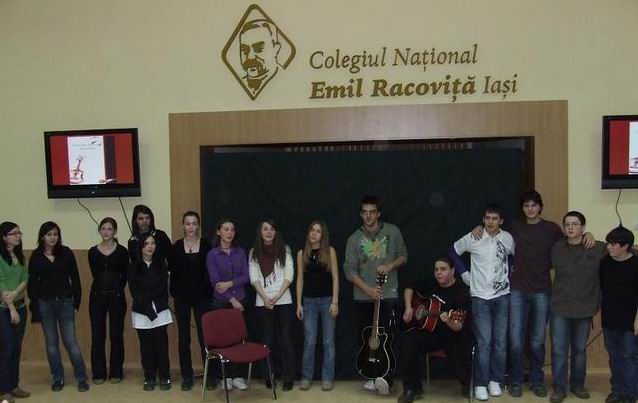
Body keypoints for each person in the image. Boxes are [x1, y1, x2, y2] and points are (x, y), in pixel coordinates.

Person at [470, 191, 593, 398]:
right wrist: (479, 227)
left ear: (540, 207)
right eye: (526, 205)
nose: (530, 209)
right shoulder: (514, 227)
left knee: (537, 342)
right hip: (517, 291)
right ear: (522, 208)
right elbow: (493, 230)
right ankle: (516, 381)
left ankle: (537, 381)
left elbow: (571, 240)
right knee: (516, 341)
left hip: (542, 291)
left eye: (534, 205)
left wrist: (588, 235)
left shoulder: (552, 229)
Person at [344, 195, 408, 395]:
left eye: (372, 212)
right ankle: (373, 375)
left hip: (388, 294)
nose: (369, 216)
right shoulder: (353, 239)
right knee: (366, 339)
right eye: (365, 212)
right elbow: (349, 271)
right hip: (363, 297)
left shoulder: (392, 231)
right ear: (360, 214)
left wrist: (390, 265)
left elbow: (403, 256)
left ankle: (387, 377)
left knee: (388, 337)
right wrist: (368, 289)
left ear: (378, 213)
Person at [450, 203, 514, 401]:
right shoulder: (474, 236)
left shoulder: (508, 238)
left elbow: (514, 259)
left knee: (500, 342)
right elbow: (453, 251)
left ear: (501, 221)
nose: (490, 222)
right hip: (480, 297)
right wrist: (464, 274)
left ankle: (496, 380)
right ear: (483, 219)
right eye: (487, 218)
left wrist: (509, 274)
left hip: (502, 296)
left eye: (494, 218)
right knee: (484, 342)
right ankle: (480, 382)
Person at [549, 211, 606, 403]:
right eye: (567, 224)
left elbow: (625, 251)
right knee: (559, 350)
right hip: (560, 307)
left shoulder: (597, 247)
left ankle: (578, 385)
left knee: (580, 351)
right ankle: (559, 388)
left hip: (585, 308)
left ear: (583, 227)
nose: (571, 227)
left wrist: (590, 236)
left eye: (575, 224)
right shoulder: (556, 248)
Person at [397, 257, 471, 403]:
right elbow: (409, 287)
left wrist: (448, 320)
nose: (438, 273)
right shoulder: (432, 283)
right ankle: (412, 388)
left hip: (452, 334)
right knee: (408, 343)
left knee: (458, 353)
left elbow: (459, 326)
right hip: (430, 332)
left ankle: (467, 383)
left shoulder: (461, 291)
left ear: (452, 271)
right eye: (436, 269)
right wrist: (408, 308)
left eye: (443, 269)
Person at [27, 221, 89, 392]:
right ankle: (58, 378)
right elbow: (32, 284)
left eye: (55, 234)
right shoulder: (36, 256)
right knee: (52, 343)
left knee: (71, 342)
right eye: (49, 235)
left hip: (66, 303)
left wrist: (76, 303)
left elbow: (75, 279)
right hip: (45, 304)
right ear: (42, 237)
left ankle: (81, 377)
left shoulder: (66, 253)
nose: (53, 237)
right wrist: (35, 306)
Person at [167, 211, 213, 391]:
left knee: (205, 338)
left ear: (198, 226)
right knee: (184, 338)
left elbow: (210, 271)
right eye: (188, 223)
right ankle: (186, 376)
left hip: (203, 298)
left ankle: (210, 375)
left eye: (194, 223)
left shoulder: (206, 245)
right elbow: (172, 273)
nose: (191, 227)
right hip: (182, 298)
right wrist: (174, 294)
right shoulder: (176, 247)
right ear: (183, 226)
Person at [249, 219, 295, 391]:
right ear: (260, 232)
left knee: (285, 340)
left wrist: (276, 297)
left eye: (272, 229)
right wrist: (265, 297)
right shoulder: (254, 252)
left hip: (283, 300)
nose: (268, 232)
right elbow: (254, 278)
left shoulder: (285, 249)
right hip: (263, 302)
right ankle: (269, 376)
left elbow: (289, 276)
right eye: (265, 229)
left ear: (276, 232)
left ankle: (288, 377)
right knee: (267, 341)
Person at [295, 220, 339, 392]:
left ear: (323, 235)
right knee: (309, 341)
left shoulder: (329, 252)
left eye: (318, 231)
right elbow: (300, 280)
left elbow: (335, 278)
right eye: (312, 230)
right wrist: (299, 304)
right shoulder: (301, 254)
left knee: (328, 341)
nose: (314, 234)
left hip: (327, 301)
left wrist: (335, 301)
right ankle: (306, 377)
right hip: (309, 302)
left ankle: (327, 378)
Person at [207, 218, 250, 391]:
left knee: (238, 340)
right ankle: (225, 377)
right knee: (223, 340)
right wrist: (232, 301)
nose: (229, 233)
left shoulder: (240, 252)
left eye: (232, 229)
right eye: (226, 229)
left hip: (240, 299)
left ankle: (238, 375)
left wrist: (230, 284)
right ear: (219, 232)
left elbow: (245, 276)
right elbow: (215, 282)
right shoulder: (212, 254)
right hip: (221, 302)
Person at [128, 233, 173, 391]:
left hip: (160, 310)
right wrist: (146, 306)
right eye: (146, 243)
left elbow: (162, 287)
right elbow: (134, 290)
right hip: (141, 311)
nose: (150, 246)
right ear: (141, 246)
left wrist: (149, 301)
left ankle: (165, 376)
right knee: (146, 347)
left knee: (161, 346)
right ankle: (149, 377)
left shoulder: (161, 264)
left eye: (152, 243)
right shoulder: (133, 266)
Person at [599, 226, 638, 403]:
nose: (609, 247)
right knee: (614, 356)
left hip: (631, 320)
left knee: (629, 356)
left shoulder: (636, 264)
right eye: (608, 243)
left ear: (625, 246)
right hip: (609, 318)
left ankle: (630, 393)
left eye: (613, 244)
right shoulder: (605, 263)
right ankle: (617, 390)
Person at [87, 217, 129, 385]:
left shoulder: (122, 251)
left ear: (115, 231)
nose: (106, 232)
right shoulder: (92, 252)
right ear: (99, 231)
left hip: (117, 297)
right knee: (97, 335)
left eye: (109, 229)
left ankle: (116, 371)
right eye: (103, 229)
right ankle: (98, 372)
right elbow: (95, 274)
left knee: (116, 334)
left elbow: (125, 275)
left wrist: (116, 288)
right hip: (97, 297)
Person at [0, 222, 30, 403]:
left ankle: (13, 385)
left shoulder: (20, 256)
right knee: (8, 347)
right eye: (14, 233)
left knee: (16, 347)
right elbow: (1, 283)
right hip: (4, 309)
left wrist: (16, 293)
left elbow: (25, 277)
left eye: (19, 233)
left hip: (20, 306)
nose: (18, 236)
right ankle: (4, 389)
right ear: (4, 237)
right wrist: (11, 307)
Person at [239, 19, 283, 96]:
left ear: (276, 49)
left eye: (259, 49)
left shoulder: (288, 82)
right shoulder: (234, 85)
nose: (250, 57)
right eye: (244, 50)